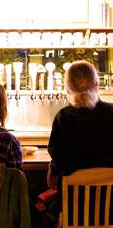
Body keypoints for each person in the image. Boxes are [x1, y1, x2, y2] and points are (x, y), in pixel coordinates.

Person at [48, 60, 113, 190]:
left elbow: (56, 165)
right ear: (96, 83)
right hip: (110, 205)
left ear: (68, 87)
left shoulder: (63, 118)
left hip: (72, 205)